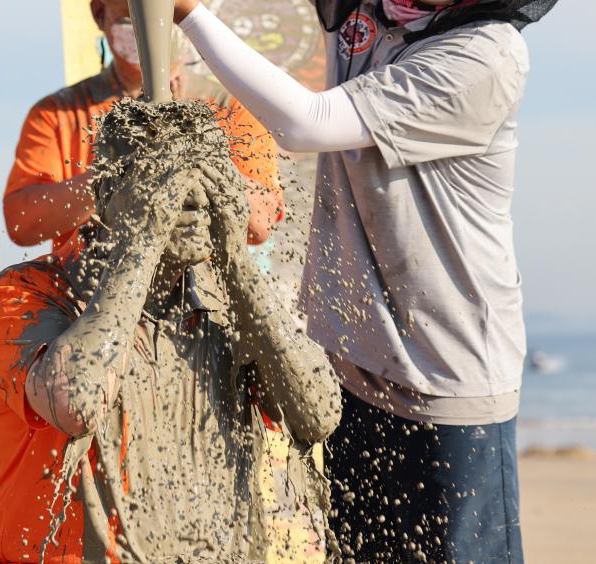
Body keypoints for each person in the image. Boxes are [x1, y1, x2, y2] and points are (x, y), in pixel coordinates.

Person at [169, 0, 557, 562]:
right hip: (354, 374)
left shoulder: (484, 56)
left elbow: (307, 123)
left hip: (447, 383)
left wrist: (189, 14)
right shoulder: (366, 11)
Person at [0, 100, 342, 563]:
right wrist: (141, 242)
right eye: (167, 182)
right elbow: (76, 402)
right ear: (107, 191)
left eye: (207, 178)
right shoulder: (25, 293)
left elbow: (317, 414)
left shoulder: (227, 304)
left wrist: (235, 260)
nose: (190, 200)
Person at [3, 0, 284, 252]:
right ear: (100, 14)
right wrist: (112, 175)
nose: (153, 21)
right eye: (132, 12)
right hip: (88, 290)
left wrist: (196, 156)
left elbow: (260, 224)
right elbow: (22, 224)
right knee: (7, 297)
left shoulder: (232, 109)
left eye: (170, 12)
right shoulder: (58, 113)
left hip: (203, 287)